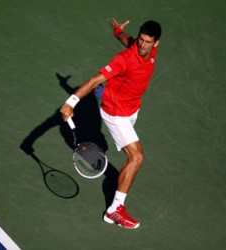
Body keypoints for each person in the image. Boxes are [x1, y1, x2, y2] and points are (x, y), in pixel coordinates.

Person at [60, 18, 161, 229]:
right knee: (137, 157)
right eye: (141, 40)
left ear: (155, 43)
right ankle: (114, 210)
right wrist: (71, 102)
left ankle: (106, 94)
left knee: (129, 153)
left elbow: (128, 40)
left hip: (131, 109)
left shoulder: (147, 50)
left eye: (147, 42)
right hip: (116, 113)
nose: (142, 45)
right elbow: (96, 77)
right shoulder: (124, 59)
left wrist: (117, 32)